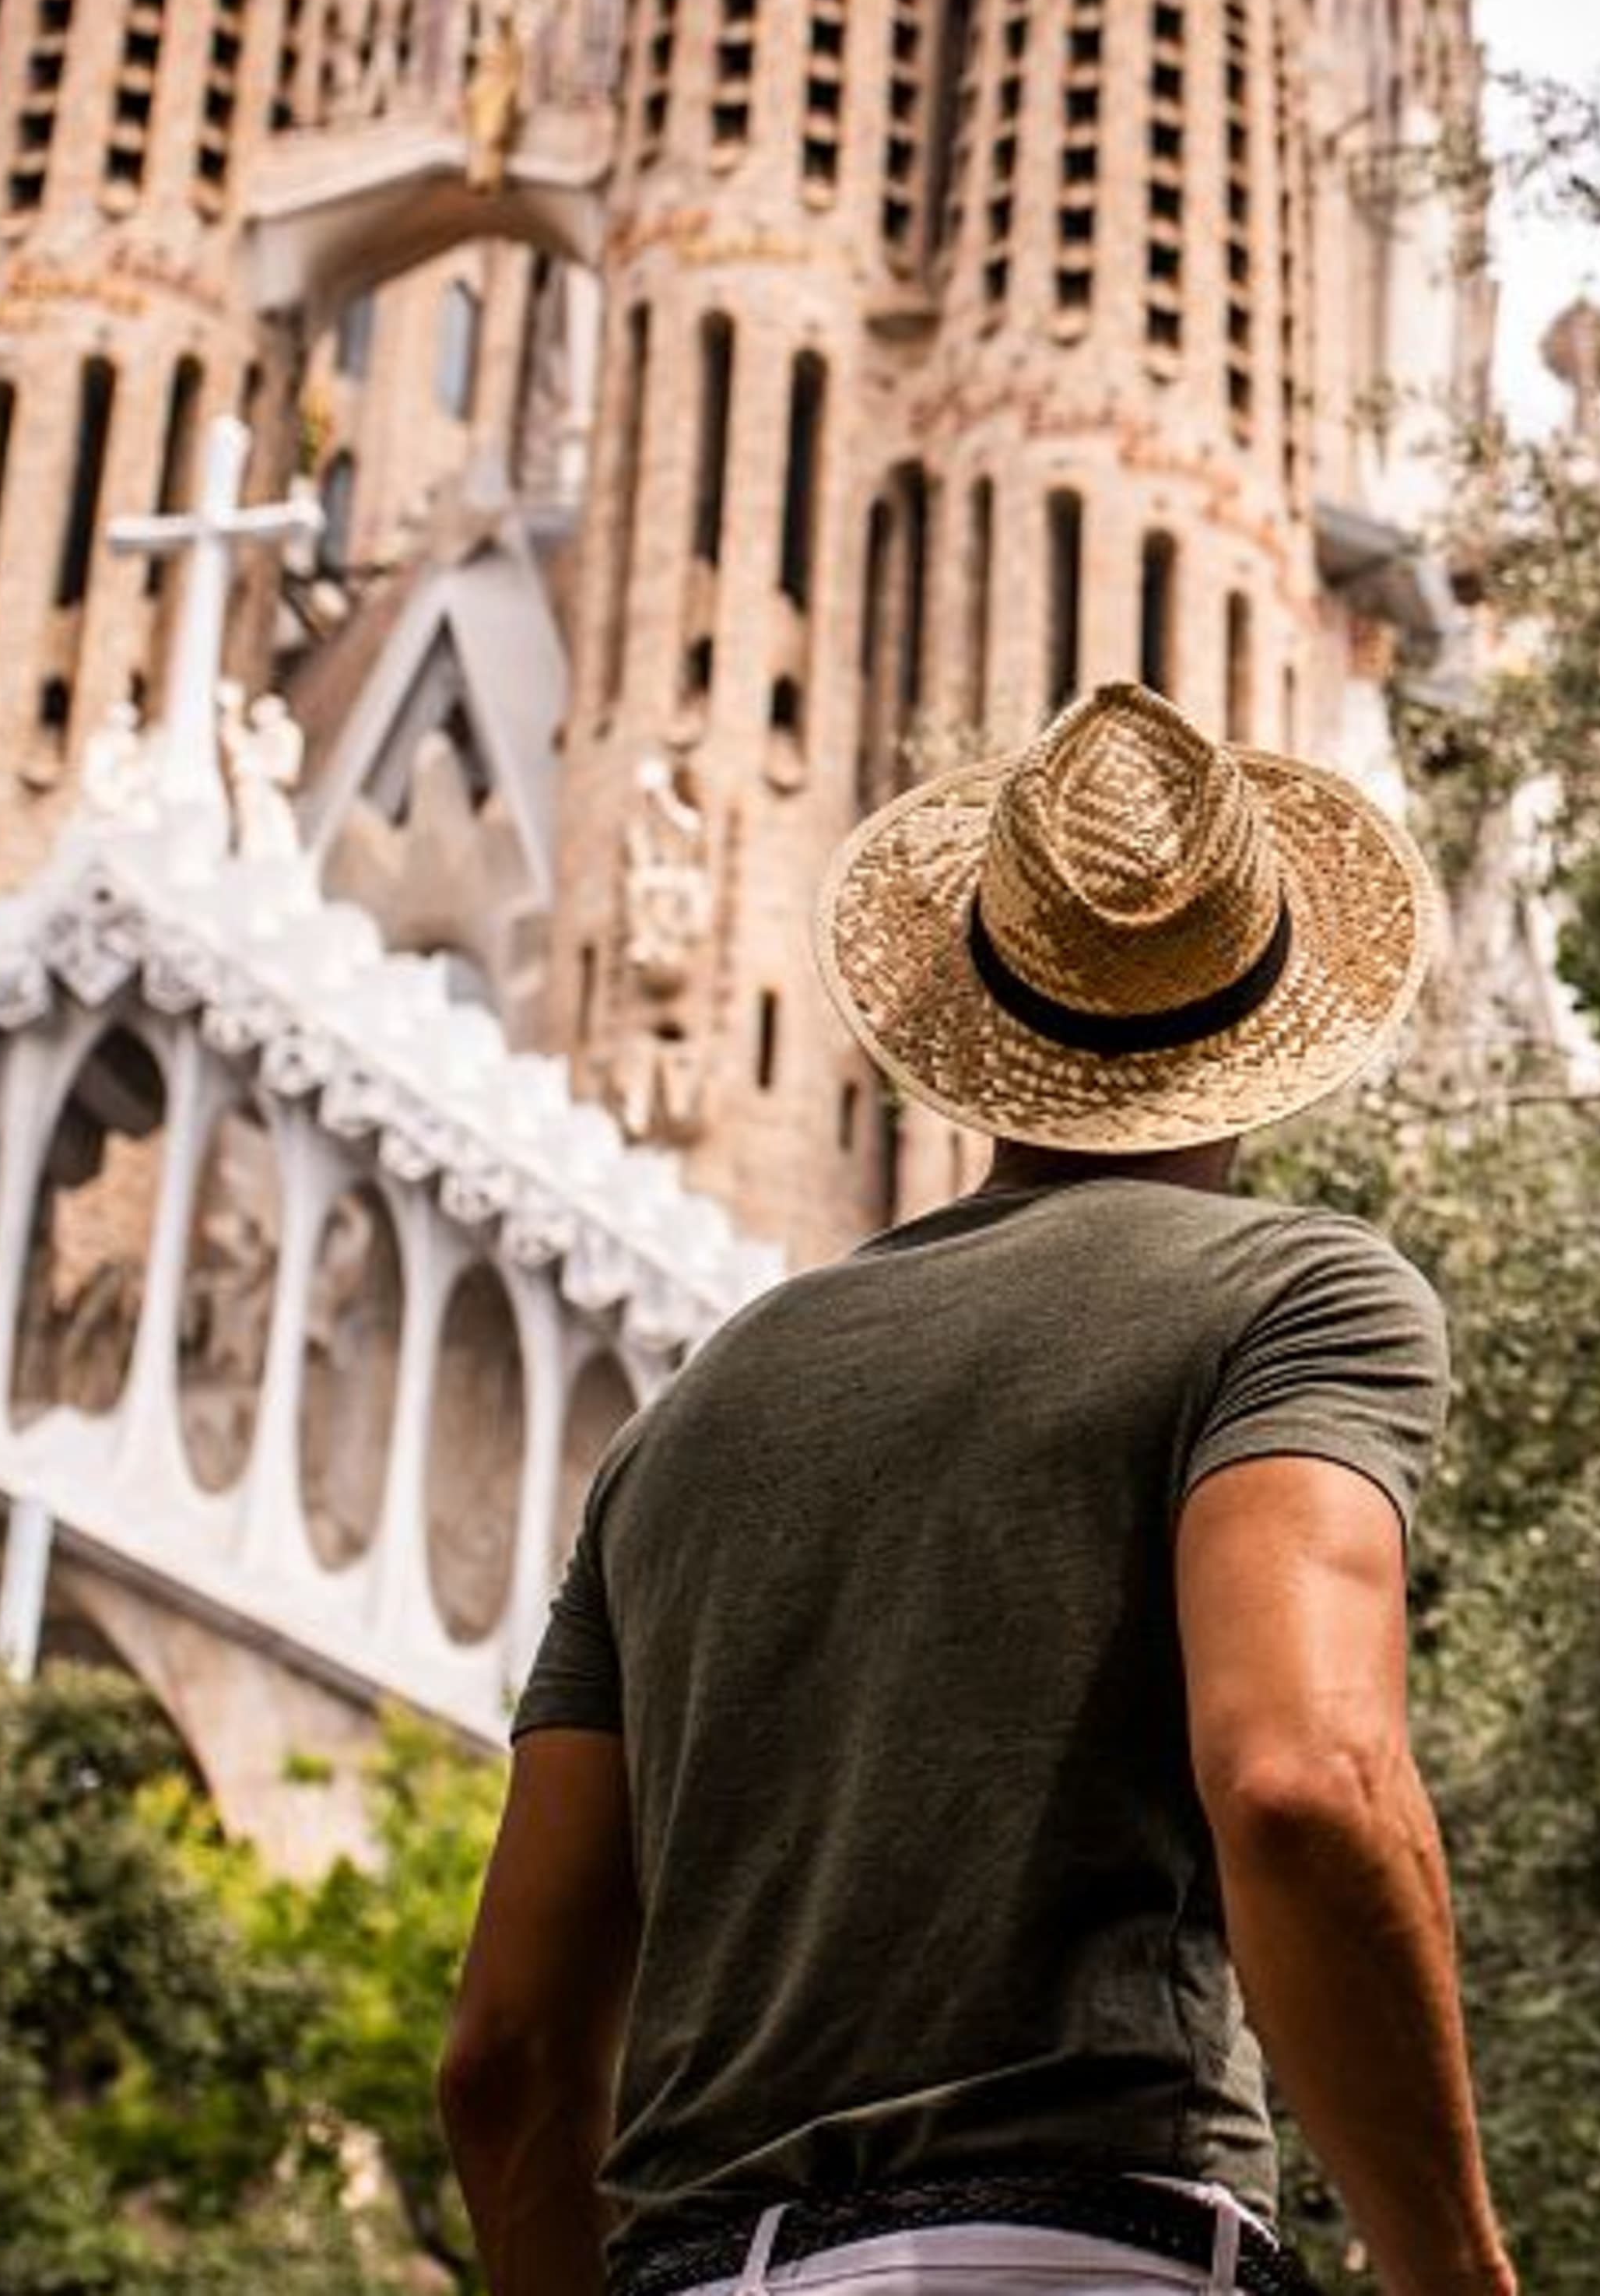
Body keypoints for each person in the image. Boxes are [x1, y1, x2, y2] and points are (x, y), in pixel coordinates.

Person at [441, 683, 1517, 2296]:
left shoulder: (689, 1420)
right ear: (1268, 1034)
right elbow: (1304, 1783)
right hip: (1076, 2252)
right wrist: (1456, 2271)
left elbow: (509, 2055)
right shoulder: (1298, 1295)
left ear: (976, 1020)